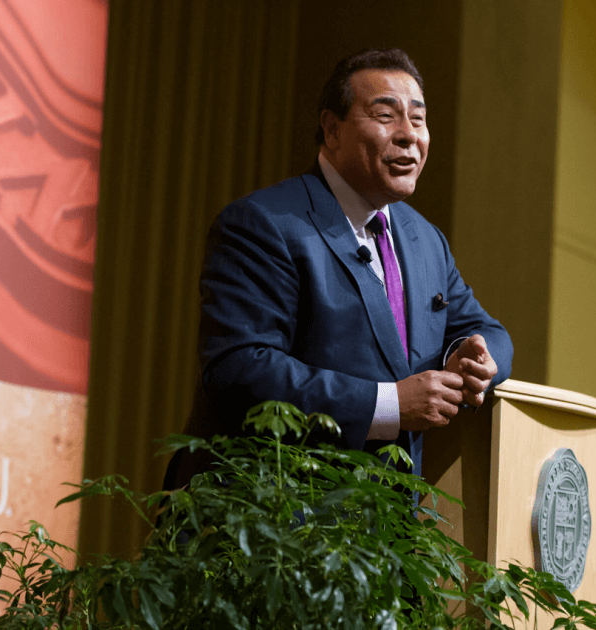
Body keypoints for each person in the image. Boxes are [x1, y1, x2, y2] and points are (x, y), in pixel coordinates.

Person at [165, 48, 513, 489]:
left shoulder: (425, 240)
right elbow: (240, 369)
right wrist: (389, 405)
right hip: (273, 508)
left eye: (418, 119)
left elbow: (491, 334)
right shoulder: (263, 223)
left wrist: (471, 360)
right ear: (332, 129)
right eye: (386, 115)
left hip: (385, 519)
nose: (409, 135)